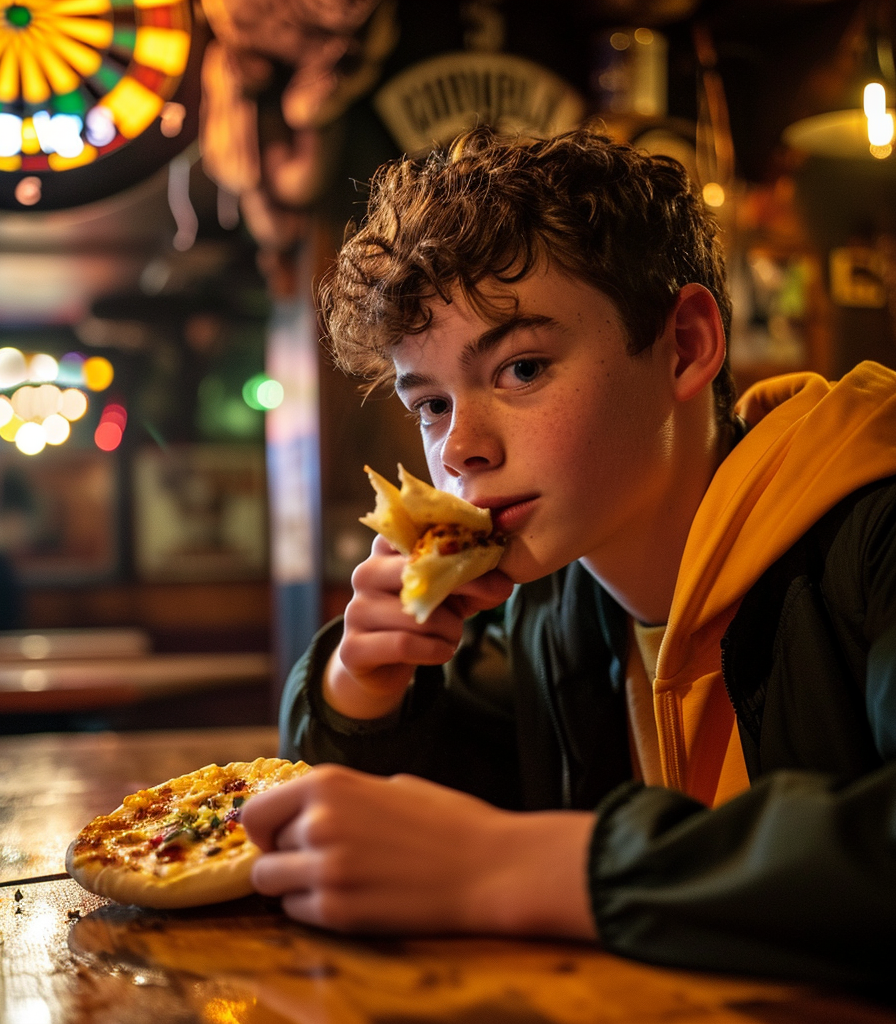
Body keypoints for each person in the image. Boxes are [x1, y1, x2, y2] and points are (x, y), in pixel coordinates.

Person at [239, 126, 896, 992]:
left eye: (521, 369)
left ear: (687, 345)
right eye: (431, 403)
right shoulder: (543, 610)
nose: (462, 448)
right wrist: (359, 687)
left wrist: (522, 868)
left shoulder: (873, 535)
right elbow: (367, 838)